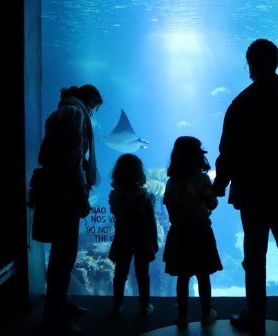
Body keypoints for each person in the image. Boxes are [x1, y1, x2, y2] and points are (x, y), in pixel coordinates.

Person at [212, 39, 278, 334]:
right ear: (275, 61)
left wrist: (220, 185)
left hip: (253, 191)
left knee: (254, 254)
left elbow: (228, 150)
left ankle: (256, 315)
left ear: (251, 66)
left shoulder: (242, 103)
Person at [37, 84, 103, 336]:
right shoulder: (76, 114)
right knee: (65, 253)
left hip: (55, 189)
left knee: (59, 252)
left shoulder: (62, 111)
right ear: (91, 101)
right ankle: (54, 315)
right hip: (66, 193)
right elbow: (73, 158)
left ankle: (60, 302)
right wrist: (80, 195)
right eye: (95, 108)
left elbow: (49, 155)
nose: (94, 114)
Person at [162, 136, 223, 329]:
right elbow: (212, 203)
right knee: (203, 275)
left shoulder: (171, 182)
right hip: (200, 231)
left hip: (179, 232)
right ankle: (206, 314)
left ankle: (183, 315)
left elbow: (171, 212)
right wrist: (210, 198)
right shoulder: (202, 179)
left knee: (183, 275)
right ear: (198, 157)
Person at [107, 153, 158, 317]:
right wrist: (154, 242)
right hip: (142, 239)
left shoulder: (114, 195)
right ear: (139, 173)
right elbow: (151, 222)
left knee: (120, 273)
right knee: (143, 274)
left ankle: (117, 305)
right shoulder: (148, 196)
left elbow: (116, 213)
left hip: (122, 237)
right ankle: (144, 306)